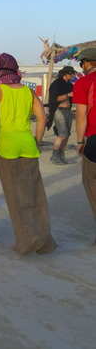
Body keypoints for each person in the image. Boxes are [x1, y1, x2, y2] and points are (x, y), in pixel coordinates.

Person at [0, 53, 56, 255]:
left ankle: (25, 242)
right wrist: (37, 140)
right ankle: (44, 242)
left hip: (6, 148)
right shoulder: (28, 91)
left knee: (15, 197)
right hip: (28, 146)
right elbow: (42, 119)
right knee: (35, 195)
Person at [73, 48, 96, 238]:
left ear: (88, 63)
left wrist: (80, 141)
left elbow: (81, 116)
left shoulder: (84, 82)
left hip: (94, 139)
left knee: (91, 181)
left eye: (82, 63)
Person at [47, 66, 76, 165]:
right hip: (59, 111)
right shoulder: (56, 84)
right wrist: (68, 95)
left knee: (67, 135)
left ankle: (61, 155)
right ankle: (54, 156)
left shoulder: (69, 84)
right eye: (71, 74)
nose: (73, 75)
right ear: (65, 74)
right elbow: (54, 99)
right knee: (62, 134)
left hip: (68, 111)